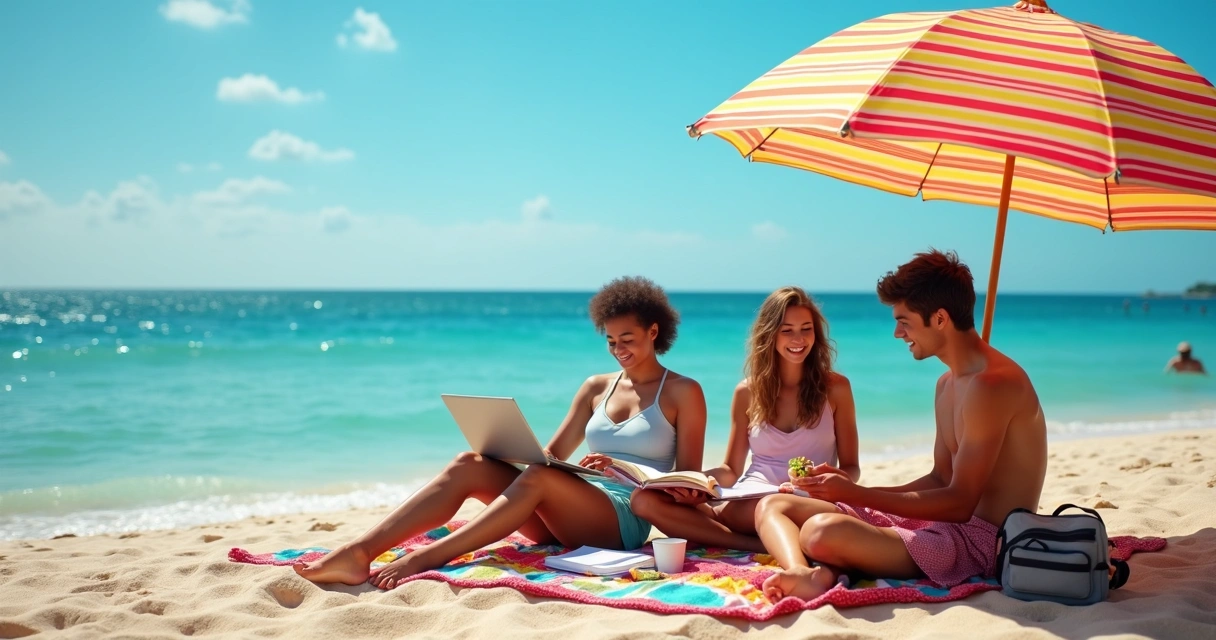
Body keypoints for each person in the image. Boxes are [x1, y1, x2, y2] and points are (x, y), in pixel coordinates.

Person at [293, 276, 707, 588]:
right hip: (568, 509)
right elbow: (550, 455)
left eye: (628, 339)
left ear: (655, 332)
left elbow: (687, 482)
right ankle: (359, 552)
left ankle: (424, 559)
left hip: (622, 519)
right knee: (470, 464)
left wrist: (616, 467)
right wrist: (519, 453)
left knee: (542, 477)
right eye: (611, 341)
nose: (619, 350)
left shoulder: (683, 391)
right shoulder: (596, 387)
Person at [754, 250, 1047, 601]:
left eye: (904, 320)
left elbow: (960, 503)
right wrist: (843, 490)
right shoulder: (947, 384)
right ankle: (807, 572)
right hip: (940, 525)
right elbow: (940, 478)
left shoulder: (992, 385)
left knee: (820, 532)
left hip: (979, 542)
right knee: (774, 505)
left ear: (939, 318)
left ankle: (824, 571)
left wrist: (858, 496)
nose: (897, 333)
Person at [629, 287, 859, 553]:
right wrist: (693, 483)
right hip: (747, 497)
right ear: (769, 334)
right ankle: (751, 543)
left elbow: (851, 468)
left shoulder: (836, 388)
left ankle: (736, 534)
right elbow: (731, 469)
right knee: (645, 499)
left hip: (807, 501)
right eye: (787, 330)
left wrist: (825, 484)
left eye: (806, 329)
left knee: (770, 506)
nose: (798, 338)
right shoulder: (747, 392)